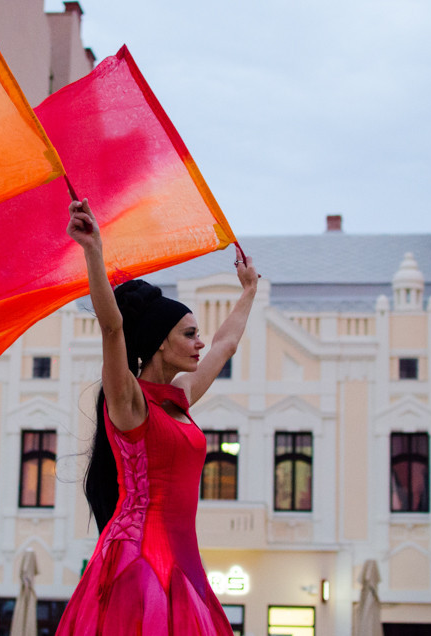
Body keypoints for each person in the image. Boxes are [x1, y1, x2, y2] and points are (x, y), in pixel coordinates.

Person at [57, 199, 259, 635]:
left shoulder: (179, 397)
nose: (200, 343)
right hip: (139, 556)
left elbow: (225, 344)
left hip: (182, 552)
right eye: (189, 334)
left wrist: (248, 292)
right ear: (159, 343)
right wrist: (94, 251)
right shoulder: (130, 403)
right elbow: (112, 328)